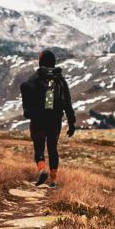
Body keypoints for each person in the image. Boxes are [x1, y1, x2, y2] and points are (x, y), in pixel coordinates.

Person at [19, 49, 75, 188]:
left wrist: (30, 111)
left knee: (39, 146)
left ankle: (42, 169)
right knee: (52, 148)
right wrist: (71, 123)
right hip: (55, 118)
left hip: (38, 118)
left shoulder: (36, 77)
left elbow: (27, 89)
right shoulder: (59, 79)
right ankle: (53, 180)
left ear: (41, 61)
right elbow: (67, 102)